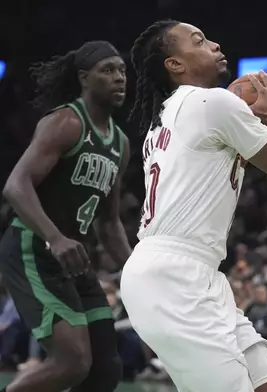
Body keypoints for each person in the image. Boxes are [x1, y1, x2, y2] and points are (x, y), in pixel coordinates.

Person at [122, 20, 267, 392]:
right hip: (173, 276)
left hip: (192, 273)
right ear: (174, 64)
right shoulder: (213, 102)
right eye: (199, 41)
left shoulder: (166, 119)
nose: (214, 43)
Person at [0, 41, 130, 392]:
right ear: (84, 79)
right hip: (33, 248)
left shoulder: (120, 142)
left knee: (105, 369)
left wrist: (137, 272)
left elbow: (109, 222)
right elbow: (15, 185)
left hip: (75, 260)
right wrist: (54, 237)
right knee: (72, 362)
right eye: (108, 70)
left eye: (122, 70)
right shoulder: (66, 122)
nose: (119, 78)